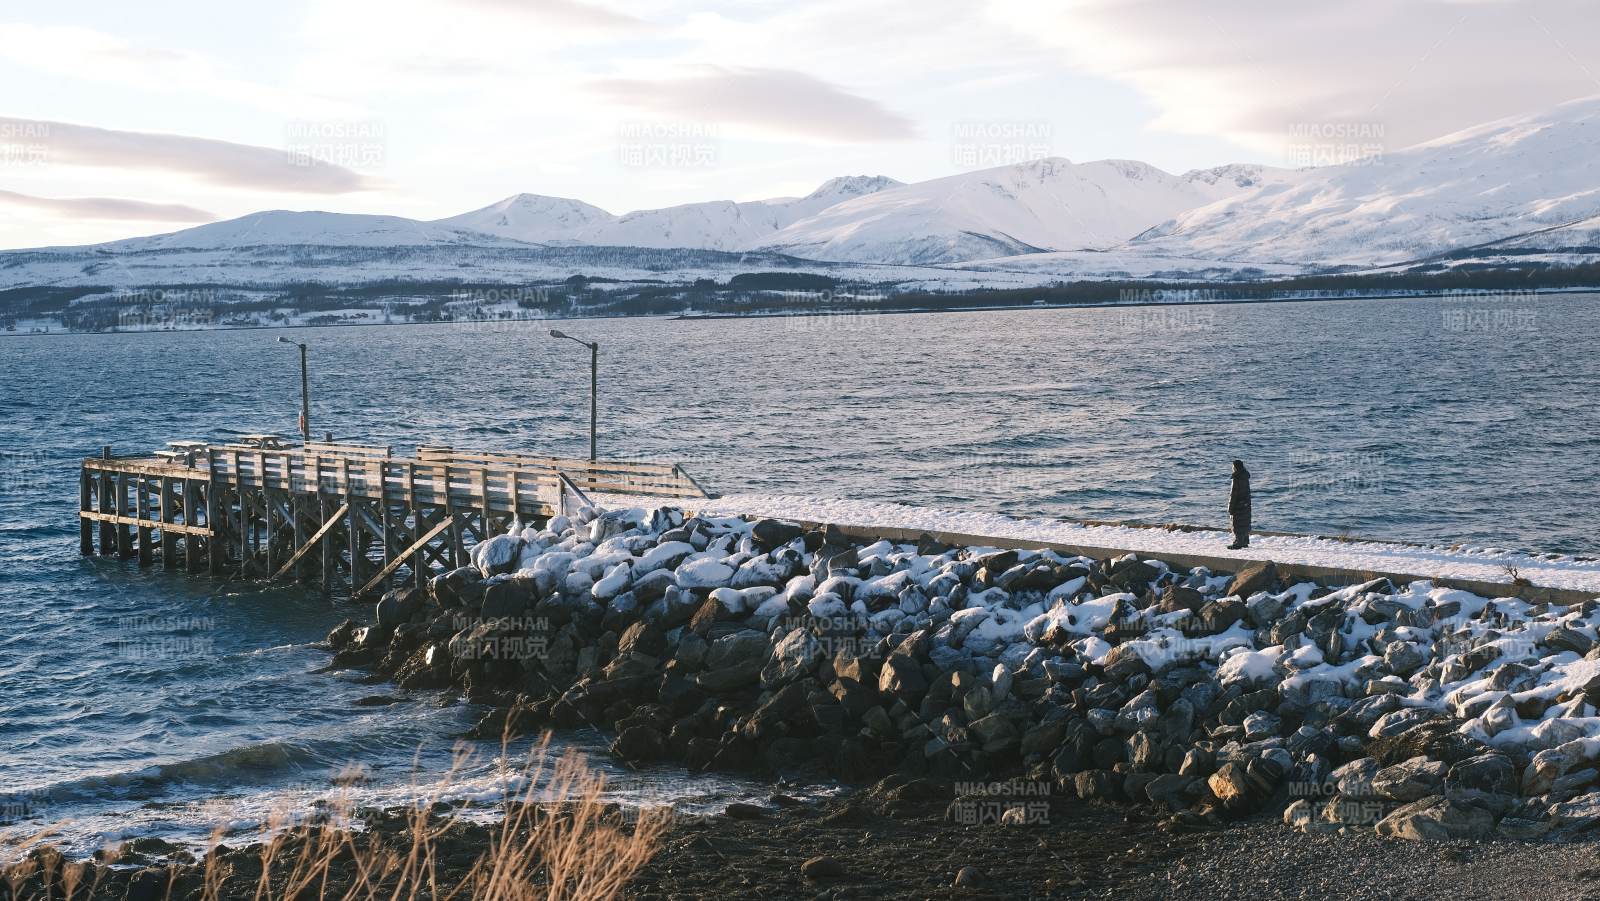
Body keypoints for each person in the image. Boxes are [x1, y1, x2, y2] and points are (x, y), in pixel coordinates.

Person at [1228, 459, 1251, 549]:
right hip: (1246, 504)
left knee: (1237, 523)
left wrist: (1230, 508)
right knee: (1245, 522)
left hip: (1238, 505)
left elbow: (1234, 494)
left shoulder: (1236, 478)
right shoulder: (1245, 476)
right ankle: (1245, 541)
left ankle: (1239, 542)